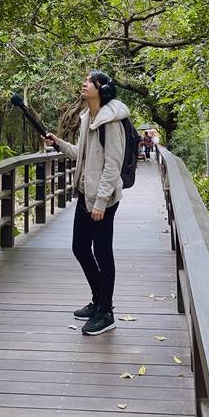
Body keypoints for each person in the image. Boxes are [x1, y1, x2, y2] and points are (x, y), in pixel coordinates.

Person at [44, 71, 129, 336]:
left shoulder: (110, 122)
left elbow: (112, 166)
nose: (85, 83)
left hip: (103, 200)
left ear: (102, 89)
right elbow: (80, 154)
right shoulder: (87, 118)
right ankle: (97, 300)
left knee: (103, 254)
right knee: (80, 248)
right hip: (85, 195)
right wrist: (58, 143)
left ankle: (107, 312)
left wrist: (101, 202)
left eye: (90, 81)